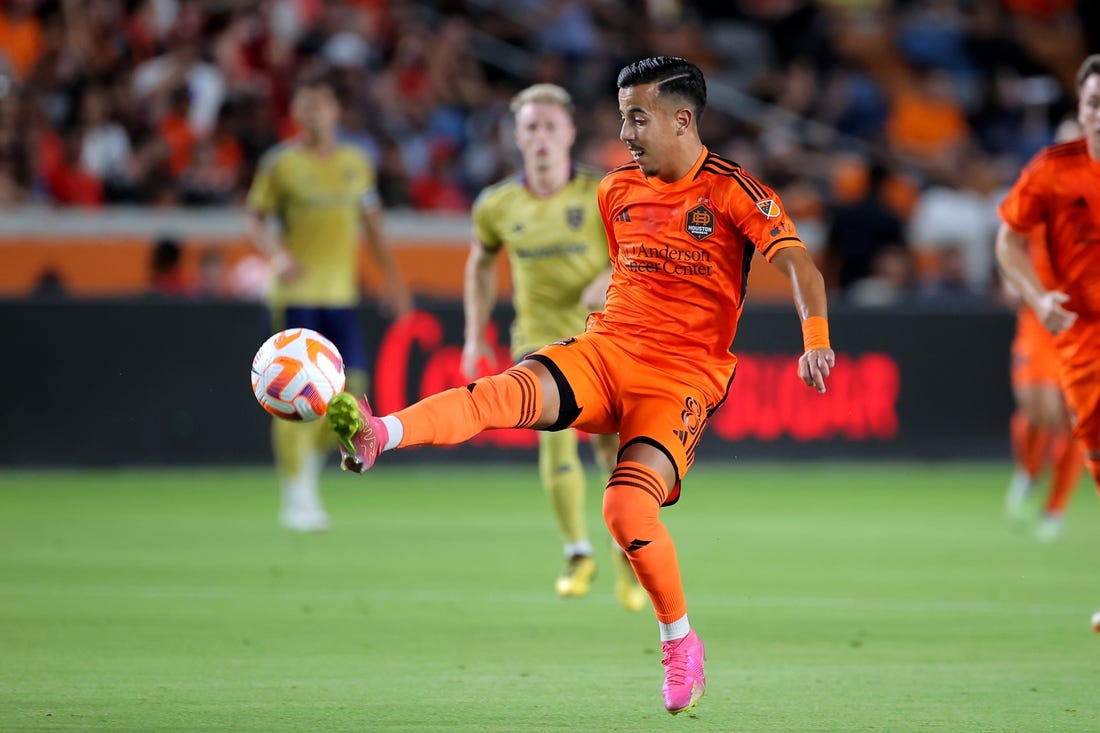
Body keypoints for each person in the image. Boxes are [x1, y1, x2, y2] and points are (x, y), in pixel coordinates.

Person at [327, 57, 835, 714]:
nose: (624, 132)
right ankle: (379, 432)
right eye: (623, 116)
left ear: (683, 119)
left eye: (637, 118)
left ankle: (680, 640)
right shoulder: (616, 191)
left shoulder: (737, 191)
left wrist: (816, 338)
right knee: (499, 393)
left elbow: (800, 265)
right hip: (606, 350)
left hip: (681, 378)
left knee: (625, 512)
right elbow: (627, 273)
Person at [463, 83, 646, 611]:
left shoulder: (600, 191)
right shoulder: (497, 205)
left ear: (568, 132)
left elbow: (640, 251)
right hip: (539, 339)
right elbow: (478, 264)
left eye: (550, 126)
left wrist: (610, 276)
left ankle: (624, 556)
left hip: (604, 336)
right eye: (530, 127)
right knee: (554, 434)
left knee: (613, 450)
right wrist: (475, 335)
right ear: (517, 136)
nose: (541, 136)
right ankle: (576, 551)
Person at [245, 70, 411, 532]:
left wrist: (394, 282)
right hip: (294, 297)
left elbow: (374, 227)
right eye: (306, 103)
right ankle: (294, 493)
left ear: (337, 111)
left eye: (322, 102)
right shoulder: (280, 164)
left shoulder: (358, 163)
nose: (314, 111)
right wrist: (277, 254)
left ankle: (307, 475)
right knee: (290, 398)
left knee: (348, 394)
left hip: (341, 296)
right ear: (295, 112)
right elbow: (253, 219)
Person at [995, 55, 1100, 624]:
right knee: (1039, 412)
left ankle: (1055, 508)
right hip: (1050, 316)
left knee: (1066, 419)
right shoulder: (1049, 183)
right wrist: (1030, 293)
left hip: (1077, 319)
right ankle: (1028, 473)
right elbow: (1008, 240)